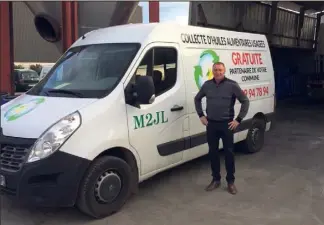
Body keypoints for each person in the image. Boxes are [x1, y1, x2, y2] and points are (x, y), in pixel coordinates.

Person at [194, 62, 250, 195]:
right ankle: (216, 179)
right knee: (213, 153)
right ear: (212, 71)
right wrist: (201, 115)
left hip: (227, 125)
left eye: (220, 70)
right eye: (215, 70)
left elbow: (245, 101)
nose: (217, 72)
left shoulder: (232, 85)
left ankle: (230, 181)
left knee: (229, 153)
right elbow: (197, 99)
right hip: (211, 124)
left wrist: (238, 120)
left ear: (224, 71)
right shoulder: (207, 85)